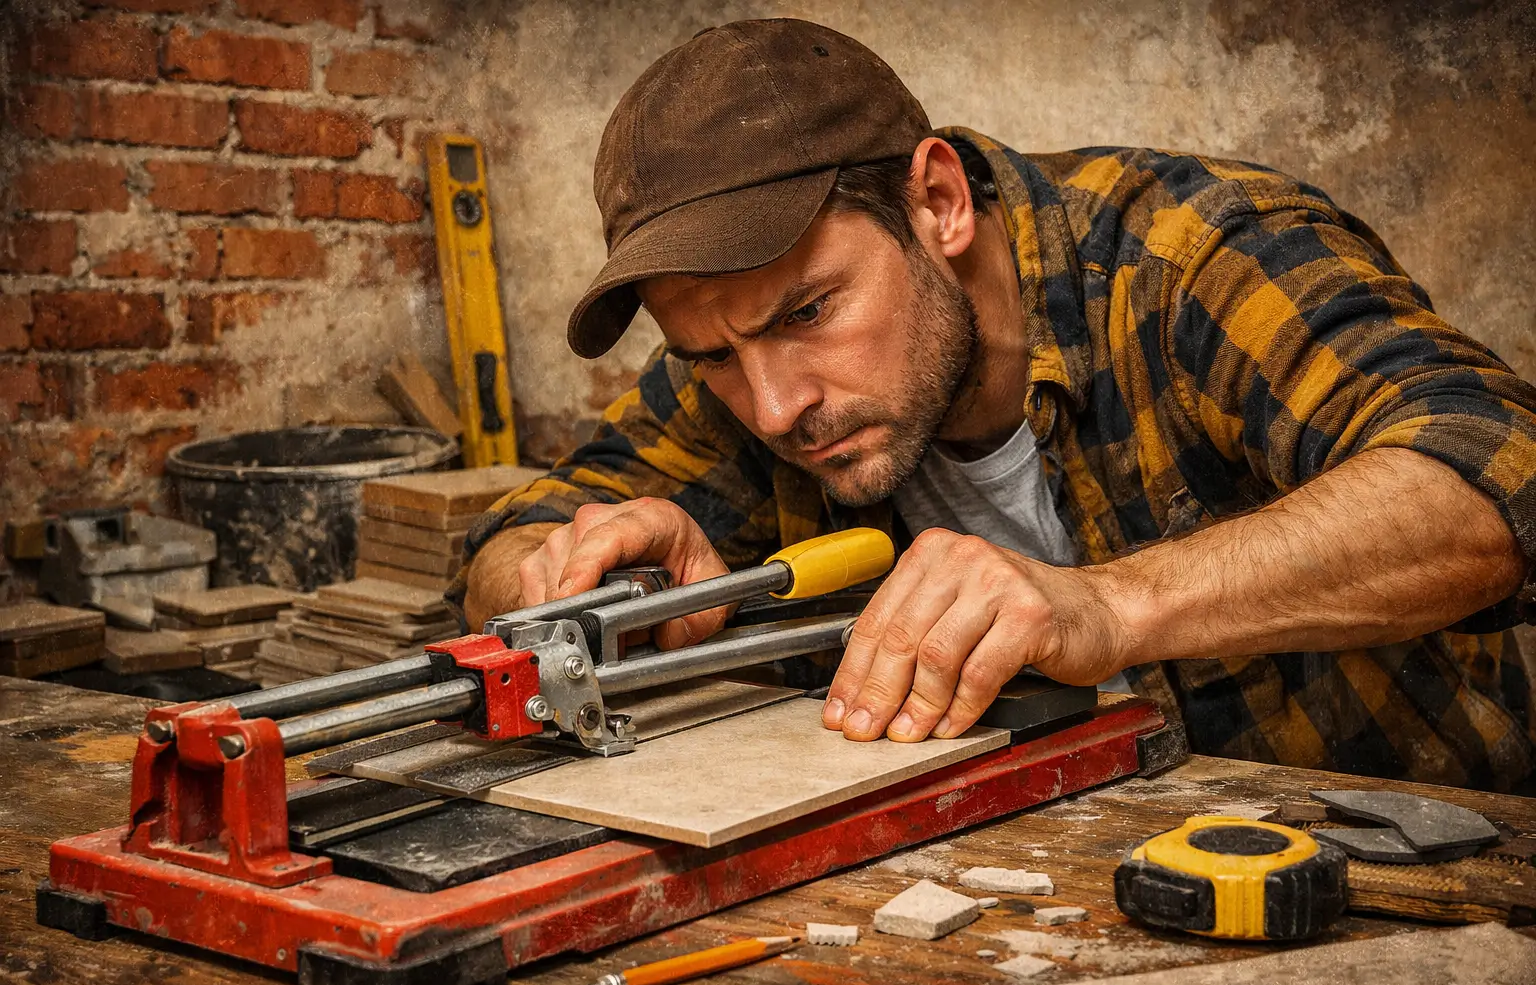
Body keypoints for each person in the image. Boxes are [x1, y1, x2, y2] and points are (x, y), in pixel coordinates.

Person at [453, 19, 1536, 791]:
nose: (777, 406)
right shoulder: (743, 361)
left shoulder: (1187, 257)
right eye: (716, 356)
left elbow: (1494, 471)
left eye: (809, 313)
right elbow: (505, 550)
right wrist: (593, 586)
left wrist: (1109, 606)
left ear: (938, 202)